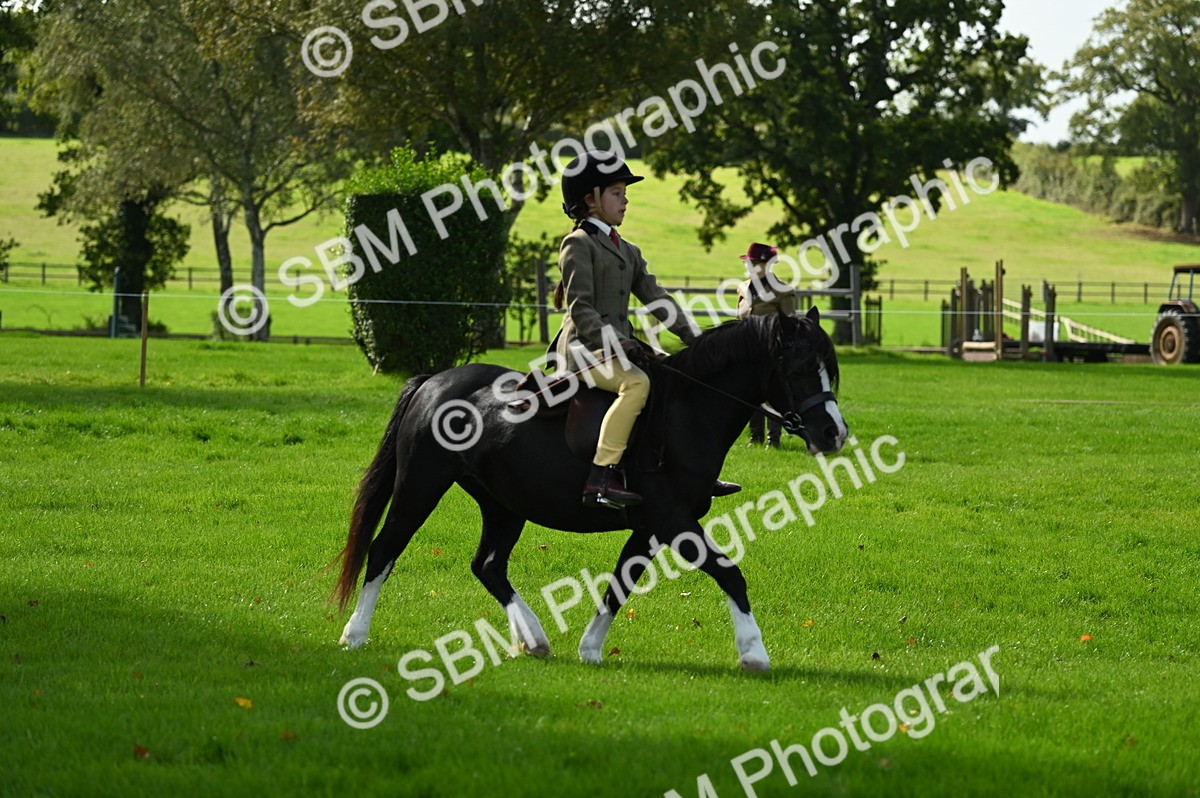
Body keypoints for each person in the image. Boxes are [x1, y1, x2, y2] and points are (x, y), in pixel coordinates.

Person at [550, 150, 740, 508]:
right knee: (636, 383)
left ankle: (686, 467)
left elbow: (658, 299)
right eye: (617, 193)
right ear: (591, 200)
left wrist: (697, 340)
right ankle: (601, 477)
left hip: (619, 346)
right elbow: (581, 309)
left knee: (680, 375)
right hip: (584, 350)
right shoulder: (578, 244)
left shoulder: (629, 250)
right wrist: (620, 343)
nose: (625, 201)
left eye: (625, 193)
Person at [736, 242, 797, 448]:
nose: (750, 266)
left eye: (755, 262)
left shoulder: (783, 291)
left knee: (773, 395)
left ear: (768, 265)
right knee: (751, 394)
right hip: (748, 349)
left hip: (772, 349)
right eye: (749, 262)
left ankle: (774, 439)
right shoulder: (744, 287)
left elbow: (790, 324)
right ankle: (755, 437)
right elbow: (740, 317)